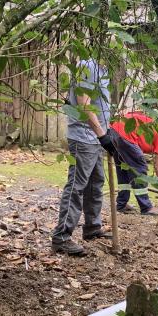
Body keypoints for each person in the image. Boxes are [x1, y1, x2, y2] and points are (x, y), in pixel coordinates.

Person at [51, 58, 113, 256]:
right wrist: (101, 133)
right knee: (77, 186)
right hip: (84, 137)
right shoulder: (87, 66)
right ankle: (61, 237)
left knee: (96, 183)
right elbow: (83, 103)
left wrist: (106, 131)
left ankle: (92, 228)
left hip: (96, 137)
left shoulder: (103, 69)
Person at [108, 112, 158, 215]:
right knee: (140, 168)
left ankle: (121, 204)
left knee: (123, 170)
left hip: (114, 131)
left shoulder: (154, 129)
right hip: (125, 134)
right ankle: (146, 207)